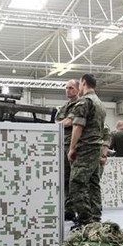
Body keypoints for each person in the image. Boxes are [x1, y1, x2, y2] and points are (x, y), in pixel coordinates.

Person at [61, 74, 106, 228]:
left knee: (76, 183)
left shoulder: (85, 101)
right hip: (95, 147)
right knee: (93, 183)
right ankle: (95, 217)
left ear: (83, 82)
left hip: (85, 147)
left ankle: (85, 220)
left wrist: (72, 148)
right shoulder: (99, 103)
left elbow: (77, 126)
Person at [55, 79, 80, 221]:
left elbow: (69, 122)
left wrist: (58, 125)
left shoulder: (80, 104)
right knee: (65, 179)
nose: (68, 90)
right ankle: (69, 209)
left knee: (75, 179)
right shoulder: (64, 107)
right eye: (66, 88)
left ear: (78, 89)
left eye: (71, 88)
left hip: (73, 146)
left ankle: (79, 210)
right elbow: (59, 121)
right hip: (62, 144)